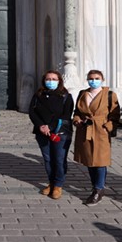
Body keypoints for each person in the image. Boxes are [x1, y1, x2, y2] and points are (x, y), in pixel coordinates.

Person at [72, 70, 120, 206]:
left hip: (101, 131)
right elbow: (77, 111)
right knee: (88, 160)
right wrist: (77, 120)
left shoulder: (109, 95)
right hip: (85, 129)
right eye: (91, 78)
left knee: (100, 160)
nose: (93, 80)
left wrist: (108, 126)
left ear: (102, 79)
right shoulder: (83, 94)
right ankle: (95, 186)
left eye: (97, 78)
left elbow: (115, 114)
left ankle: (99, 189)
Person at [28, 70, 74, 200]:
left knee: (59, 159)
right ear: (44, 80)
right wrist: (40, 125)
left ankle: (58, 184)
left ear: (59, 80)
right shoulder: (38, 95)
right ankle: (51, 182)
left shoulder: (66, 96)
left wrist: (51, 126)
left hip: (60, 132)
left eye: (54, 79)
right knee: (48, 159)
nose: (51, 81)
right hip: (42, 131)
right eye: (48, 79)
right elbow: (32, 111)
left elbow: (66, 115)